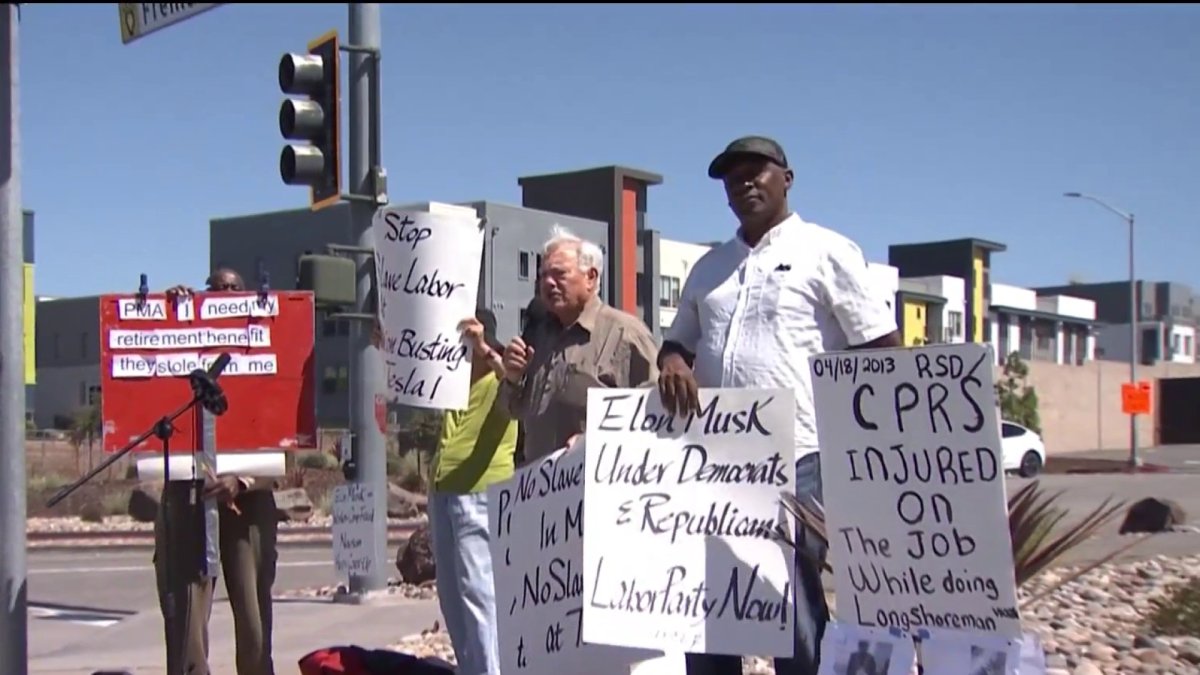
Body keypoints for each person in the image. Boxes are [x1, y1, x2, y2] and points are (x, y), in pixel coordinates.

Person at [657, 136, 901, 675]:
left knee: (789, 604)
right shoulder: (709, 268)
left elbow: (881, 349)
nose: (743, 183)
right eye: (731, 177)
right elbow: (679, 342)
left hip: (800, 458)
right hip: (713, 462)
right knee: (710, 602)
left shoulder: (827, 251)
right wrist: (672, 362)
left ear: (786, 179)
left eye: (756, 171)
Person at [161, 266, 279, 675]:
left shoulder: (264, 348)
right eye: (218, 288)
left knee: (253, 616)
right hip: (190, 494)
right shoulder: (187, 339)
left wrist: (243, 479)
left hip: (248, 504)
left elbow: (284, 444)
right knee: (187, 613)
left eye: (235, 288)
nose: (227, 293)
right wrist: (170, 311)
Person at [498, 225, 660, 463]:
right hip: (539, 489)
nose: (548, 283)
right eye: (543, 275)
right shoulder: (539, 336)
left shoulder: (625, 334)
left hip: (599, 483)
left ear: (590, 277)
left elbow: (657, 414)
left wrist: (595, 440)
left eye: (559, 274)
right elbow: (510, 410)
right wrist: (512, 378)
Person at [426, 308, 517, 675]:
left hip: (480, 494)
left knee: (480, 596)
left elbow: (515, 381)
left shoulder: (501, 378)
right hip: (444, 492)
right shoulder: (451, 382)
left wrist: (485, 350)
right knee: (452, 599)